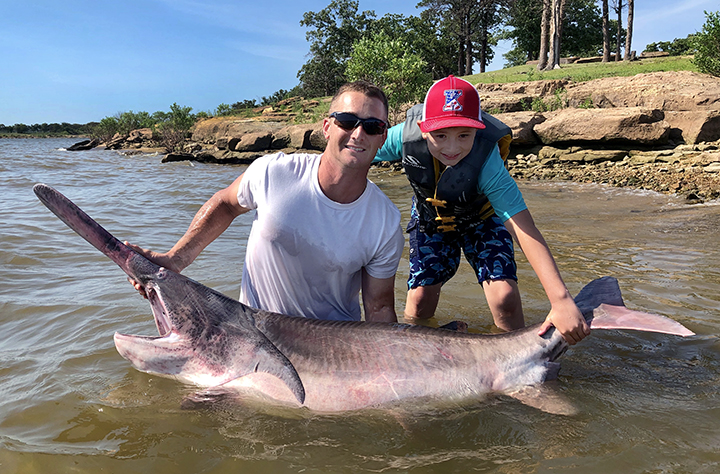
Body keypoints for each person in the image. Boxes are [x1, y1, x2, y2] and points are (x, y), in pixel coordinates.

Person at [129, 81, 404, 322]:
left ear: (382, 138)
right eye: (346, 120)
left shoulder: (386, 222)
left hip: (333, 348)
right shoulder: (274, 172)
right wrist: (175, 260)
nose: (358, 134)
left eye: (372, 126)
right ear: (327, 127)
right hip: (255, 334)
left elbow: (379, 309)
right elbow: (225, 204)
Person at [374, 75, 589, 344]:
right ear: (423, 128)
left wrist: (562, 300)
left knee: (504, 298)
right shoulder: (401, 139)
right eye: (440, 135)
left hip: (482, 220)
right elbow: (358, 152)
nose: (452, 148)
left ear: (478, 130)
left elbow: (522, 227)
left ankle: (516, 357)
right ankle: (411, 355)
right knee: (419, 300)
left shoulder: (487, 160)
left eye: (464, 135)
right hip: (431, 221)